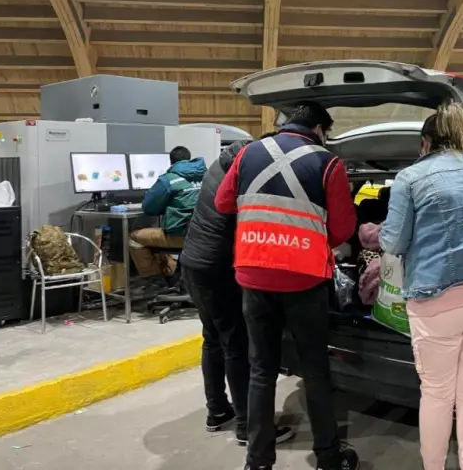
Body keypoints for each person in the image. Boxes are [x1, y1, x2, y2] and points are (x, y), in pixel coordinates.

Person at [215, 103, 359, 470]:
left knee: (261, 369)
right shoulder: (328, 162)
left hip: (253, 274)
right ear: (320, 129)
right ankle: (328, 457)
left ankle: (258, 461)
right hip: (304, 279)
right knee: (314, 369)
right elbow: (343, 230)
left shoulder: (248, 152)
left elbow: (223, 202)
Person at [378, 102, 463, 470]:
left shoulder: (410, 178)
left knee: (437, 395)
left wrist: (373, 232)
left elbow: (393, 242)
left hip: (437, 298)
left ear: (425, 142)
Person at [179, 135, 293, 444]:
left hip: (193, 263)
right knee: (236, 344)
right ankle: (248, 426)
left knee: (212, 337)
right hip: (218, 269)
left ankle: (218, 410)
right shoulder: (245, 176)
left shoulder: (220, 164)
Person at [130, 146, 204, 277]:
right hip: (205, 235)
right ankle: (172, 274)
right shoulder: (206, 176)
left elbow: (149, 208)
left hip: (182, 236)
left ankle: (154, 281)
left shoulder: (168, 179)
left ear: (171, 162)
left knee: (135, 237)